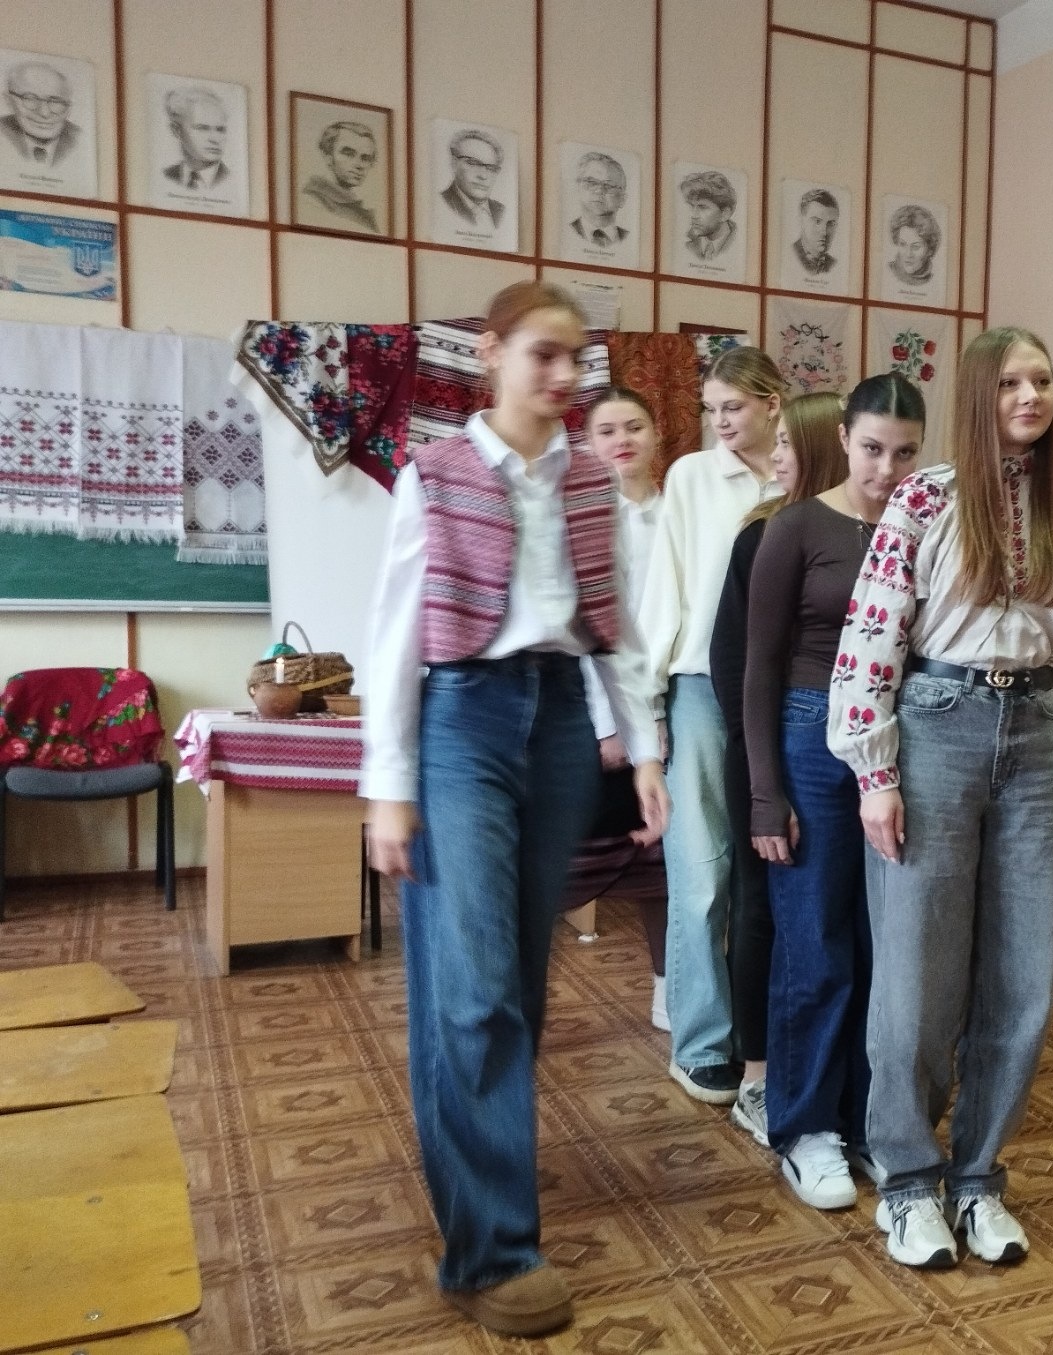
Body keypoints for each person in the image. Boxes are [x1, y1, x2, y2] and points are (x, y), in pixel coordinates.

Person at [361, 281, 670, 1338]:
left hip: (560, 723)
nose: (565, 376)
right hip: (463, 719)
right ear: (490, 353)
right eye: (543, 354)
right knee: (475, 982)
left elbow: (618, 626)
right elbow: (394, 634)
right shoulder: (436, 474)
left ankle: (474, 1192)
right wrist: (389, 786)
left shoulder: (588, 479)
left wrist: (646, 750)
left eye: (577, 358)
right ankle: (492, 1251)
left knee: (514, 983)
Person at [830, 327, 1053, 1270]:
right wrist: (875, 772)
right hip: (937, 728)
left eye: (1042, 379)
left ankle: (977, 1177)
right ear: (976, 395)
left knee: (1022, 978)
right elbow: (871, 635)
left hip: (1038, 739)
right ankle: (908, 1182)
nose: (1031, 395)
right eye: (1010, 382)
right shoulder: (925, 499)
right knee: (917, 976)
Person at [746, 376, 923, 1210]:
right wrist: (763, 791)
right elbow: (758, 668)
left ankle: (865, 1122)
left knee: (883, 946)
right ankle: (806, 1127)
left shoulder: (925, 527)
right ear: (845, 437)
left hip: (898, 739)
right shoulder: (796, 527)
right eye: (873, 448)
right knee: (815, 942)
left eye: (905, 453)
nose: (887, 469)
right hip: (809, 734)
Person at [640, 347, 785, 1104]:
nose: (720, 421)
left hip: (786, 693)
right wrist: (650, 703)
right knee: (701, 872)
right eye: (711, 409)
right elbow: (663, 589)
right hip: (700, 685)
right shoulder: (694, 477)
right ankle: (700, 1043)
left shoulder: (802, 473)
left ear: (772, 402)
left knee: (772, 873)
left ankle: (767, 1033)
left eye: (734, 406)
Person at [710, 392, 848, 1147]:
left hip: (837, 747)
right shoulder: (760, 535)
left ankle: (825, 1074)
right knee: (760, 903)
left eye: (792, 444)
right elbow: (736, 662)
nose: (778, 456)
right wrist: (758, 768)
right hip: (761, 746)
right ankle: (757, 1079)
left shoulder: (868, 537)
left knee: (828, 916)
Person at [584, 388, 671, 1030]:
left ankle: (670, 987)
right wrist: (610, 725)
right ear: (588, 445)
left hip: (671, 705)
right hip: (597, 713)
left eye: (634, 426)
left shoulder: (677, 514)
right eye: (607, 430)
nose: (622, 440)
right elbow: (588, 635)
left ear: (656, 435)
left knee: (665, 864)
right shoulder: (584, 519)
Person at [301, 120, 379, 233]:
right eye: (348, 154)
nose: (359, 165)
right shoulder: (312, 201)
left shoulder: (356, 207)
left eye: (365, 158)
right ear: (328, 156)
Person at [2, 60, 80, 167]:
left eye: (55, 101)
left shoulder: (80, 140)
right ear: (9, 101)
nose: (44, 113)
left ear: (69, 107)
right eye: (30, 99)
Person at [162, 86, 229, 191]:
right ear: (176, 131)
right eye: (202, 128)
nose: (215, 139)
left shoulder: (231, 179)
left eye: (220, 130)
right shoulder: (165, 176)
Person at [441, 128, 505, 231]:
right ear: (454, 163)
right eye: (473, 163)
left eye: (491, 168)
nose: (483, 176)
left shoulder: (502, 211)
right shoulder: (441, 204)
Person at [568, 150, 628, 250]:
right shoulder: (567, 231)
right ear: (577, 189)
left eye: (609, 185)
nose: (599, 190)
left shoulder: (630, 239)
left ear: (622, 199)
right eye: (591, 182)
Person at [682, 169, 737, 262]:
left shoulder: (739, 249)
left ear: (725, 214)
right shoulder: (687, 248)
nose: (693, 215)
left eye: (702, 207)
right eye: (692, 206)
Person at [887, 204, 941, 287]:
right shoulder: (887, 271)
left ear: (929, 250)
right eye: (902, 244)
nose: (908, 254)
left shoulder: (936, 281)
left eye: (916, 247)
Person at [792, 188, 840, 277]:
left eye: (830, 224)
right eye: (817, 221)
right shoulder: (789, 256)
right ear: (801, 221)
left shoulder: (835, 265)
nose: (824, 232)